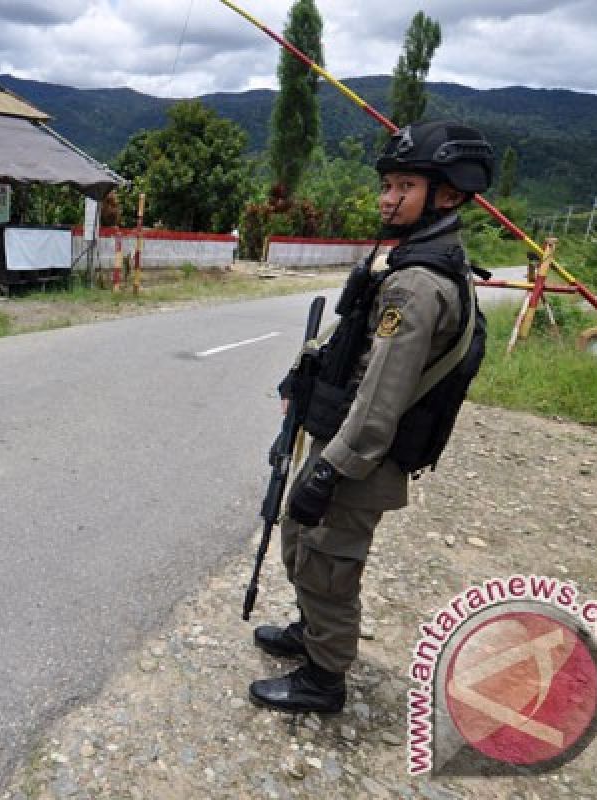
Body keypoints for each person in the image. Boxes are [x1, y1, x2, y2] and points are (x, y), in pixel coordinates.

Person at [249, 120, 495, 714]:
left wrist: (331, 472)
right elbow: (354, 354)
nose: (387, 198)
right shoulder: (411, 263)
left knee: (329, 563)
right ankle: (311, 633)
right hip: (345, 444)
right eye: (387, 184)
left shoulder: (417, 285)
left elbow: (381, 399)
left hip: (361, 458)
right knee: (301, 543)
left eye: (403, 185)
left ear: (449, 193)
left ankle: (324, 678)